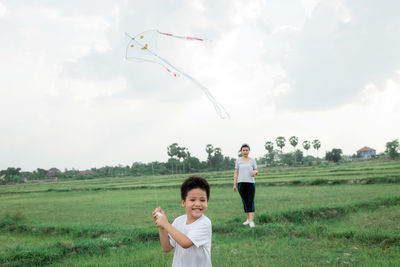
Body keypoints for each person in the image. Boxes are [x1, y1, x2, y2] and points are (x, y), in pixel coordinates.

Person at [152, 176, 212, 267]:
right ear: (183, 202)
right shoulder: (178, 221)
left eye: (202, 200)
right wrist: (161, 227)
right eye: (192, 200)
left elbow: (185, 243)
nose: (198, 204)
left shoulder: (205, 223)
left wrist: (166, 224)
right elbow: (167, 248)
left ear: (207, 202)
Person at [233, 143, 258, 228]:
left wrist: (255, 172)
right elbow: (236, 172)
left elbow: (256, 170)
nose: (245, 152)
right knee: (245, 202)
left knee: (250, 201)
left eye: (247, 150)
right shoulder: (238, 160)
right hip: (241, 183)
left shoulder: (252, 160)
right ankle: (248, 219)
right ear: (241, 151)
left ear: (249, 151)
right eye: (243, 150)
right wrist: (234, 184)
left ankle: (251, 221)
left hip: (250, 183)